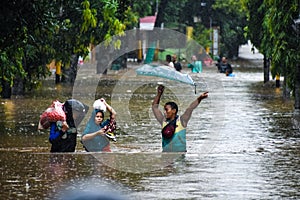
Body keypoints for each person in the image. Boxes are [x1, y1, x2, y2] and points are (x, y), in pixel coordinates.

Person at [152, 85, 208, 152]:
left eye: (166, 110)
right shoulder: (163, 121)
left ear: (174, 111)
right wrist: (159, 94)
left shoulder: (182, 121)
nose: (164, 112)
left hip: (180, 157)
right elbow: (154, 108)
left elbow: (190, 109)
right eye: (164, 110)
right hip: (166, 156)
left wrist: (199, 99)